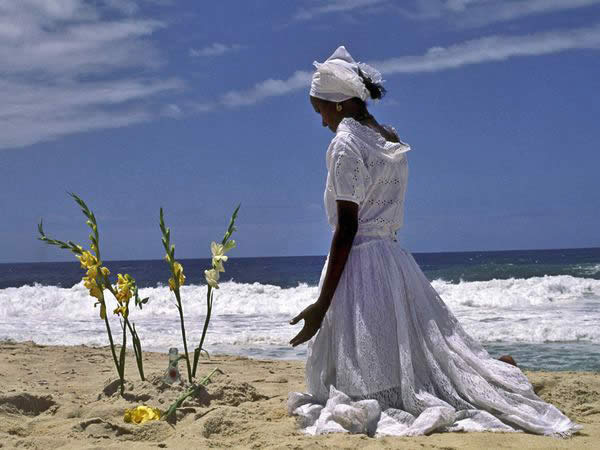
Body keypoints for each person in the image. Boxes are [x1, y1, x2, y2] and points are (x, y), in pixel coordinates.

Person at [287, 46, 582, 437]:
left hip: (361, 265)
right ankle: (496, 373)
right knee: (416, 356)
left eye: (320, 110)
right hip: (392, 260)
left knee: (368, 382)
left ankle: (491, 379)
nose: (322, 121)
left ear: (340, 105)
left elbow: (347, 228)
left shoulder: (346, 144)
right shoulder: (387, 136)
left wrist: (322, 305)